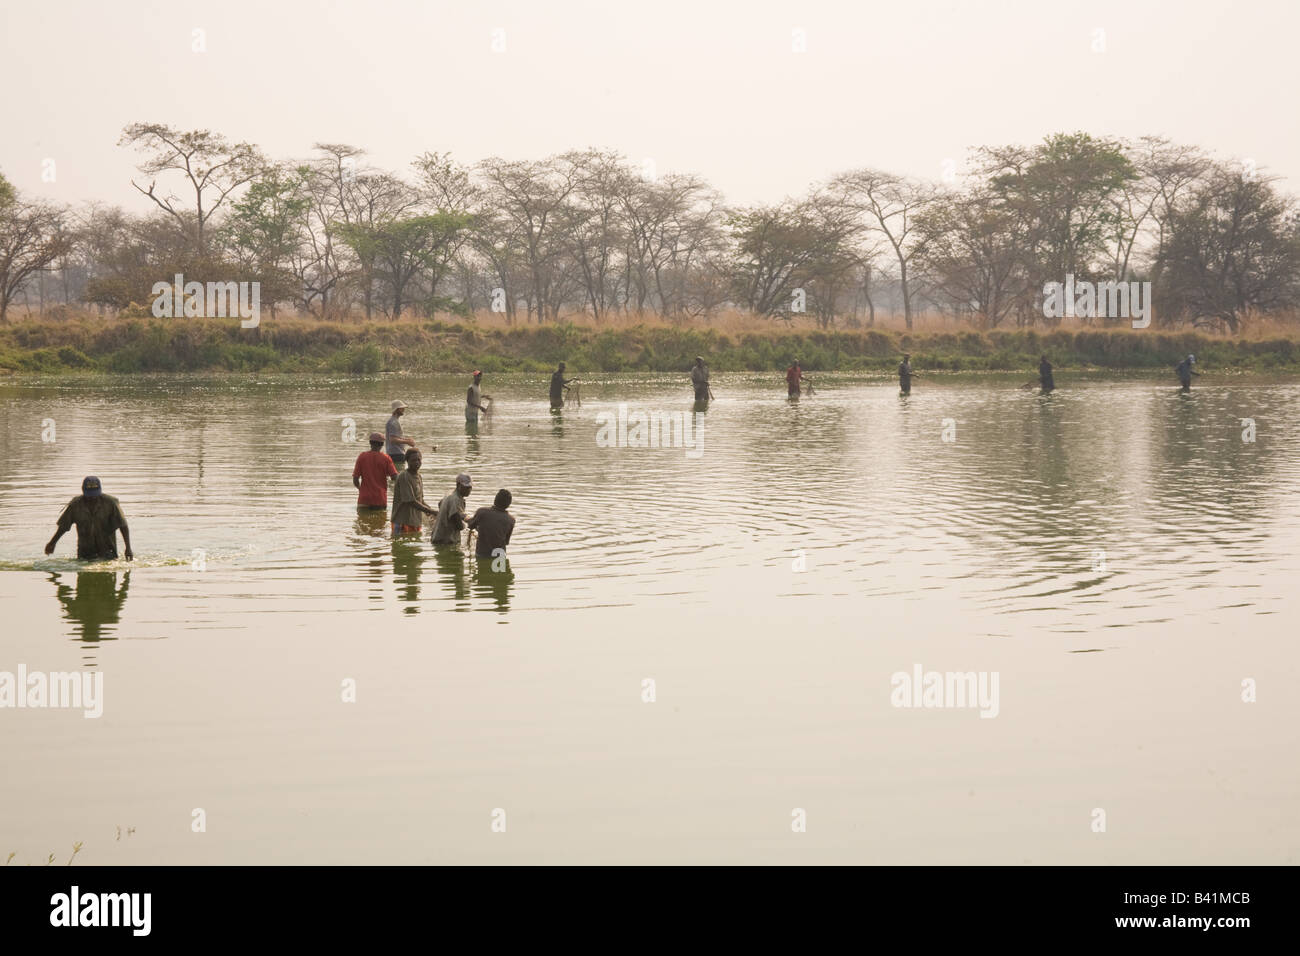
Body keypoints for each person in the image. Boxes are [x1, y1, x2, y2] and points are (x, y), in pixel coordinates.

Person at [45, 477, 133, 561]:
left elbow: (123, 525)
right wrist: (52, 543)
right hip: (84, 552)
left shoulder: (111, 503)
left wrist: (128, 548)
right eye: (89, 495)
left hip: (108, 551)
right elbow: (63, 527)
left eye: (94, 495)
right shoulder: (75, 505)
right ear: (83, 491)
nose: (92, 498)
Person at [390, 449, 436, 535]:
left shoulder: (418, 476)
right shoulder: (404, 476)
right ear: (407, 461)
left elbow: (420, 500)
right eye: (413, 460)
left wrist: (432, 512)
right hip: (402, 522)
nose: (417, 462)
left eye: (419, 460)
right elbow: (410, 501)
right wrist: (432, 511)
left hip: (415, 521)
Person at [353, 432, 397, 511]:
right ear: (382, 444)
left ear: (370, 443)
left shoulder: (362, 457)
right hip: (380, 499)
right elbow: (394, 477)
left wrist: (361, 489)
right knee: (380, 522)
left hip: (364, 499)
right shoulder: (386, 458)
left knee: (362, 521)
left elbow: (355, 479)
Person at [467, 489, 516, 560]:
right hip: (500, 556)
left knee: (483, 570)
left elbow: (471, 525)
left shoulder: (482, 512)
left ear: (495, 500)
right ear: (509, 504)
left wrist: (464, 517)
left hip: (482, 555)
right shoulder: (511, 520)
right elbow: (506, 542)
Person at [432, 472, 473, 545]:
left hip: (438, 538)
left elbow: (440, 503)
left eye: (470, 487)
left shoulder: (450, 494)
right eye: (466, 487)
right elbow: (458, 525)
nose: (468, 490)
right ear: (458, 485)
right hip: (445, 542)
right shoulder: (455, 499)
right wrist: (466, 525)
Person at [386, 400, 417, 465]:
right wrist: (407, 442)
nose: (403, 409)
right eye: (401, 408)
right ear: (396, 409)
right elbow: (392, 439)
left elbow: (395, 437)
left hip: (394, 453)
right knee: (398, 474)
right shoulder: (394, 422)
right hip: (396, 454)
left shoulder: (393, 421)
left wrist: (407, 440)